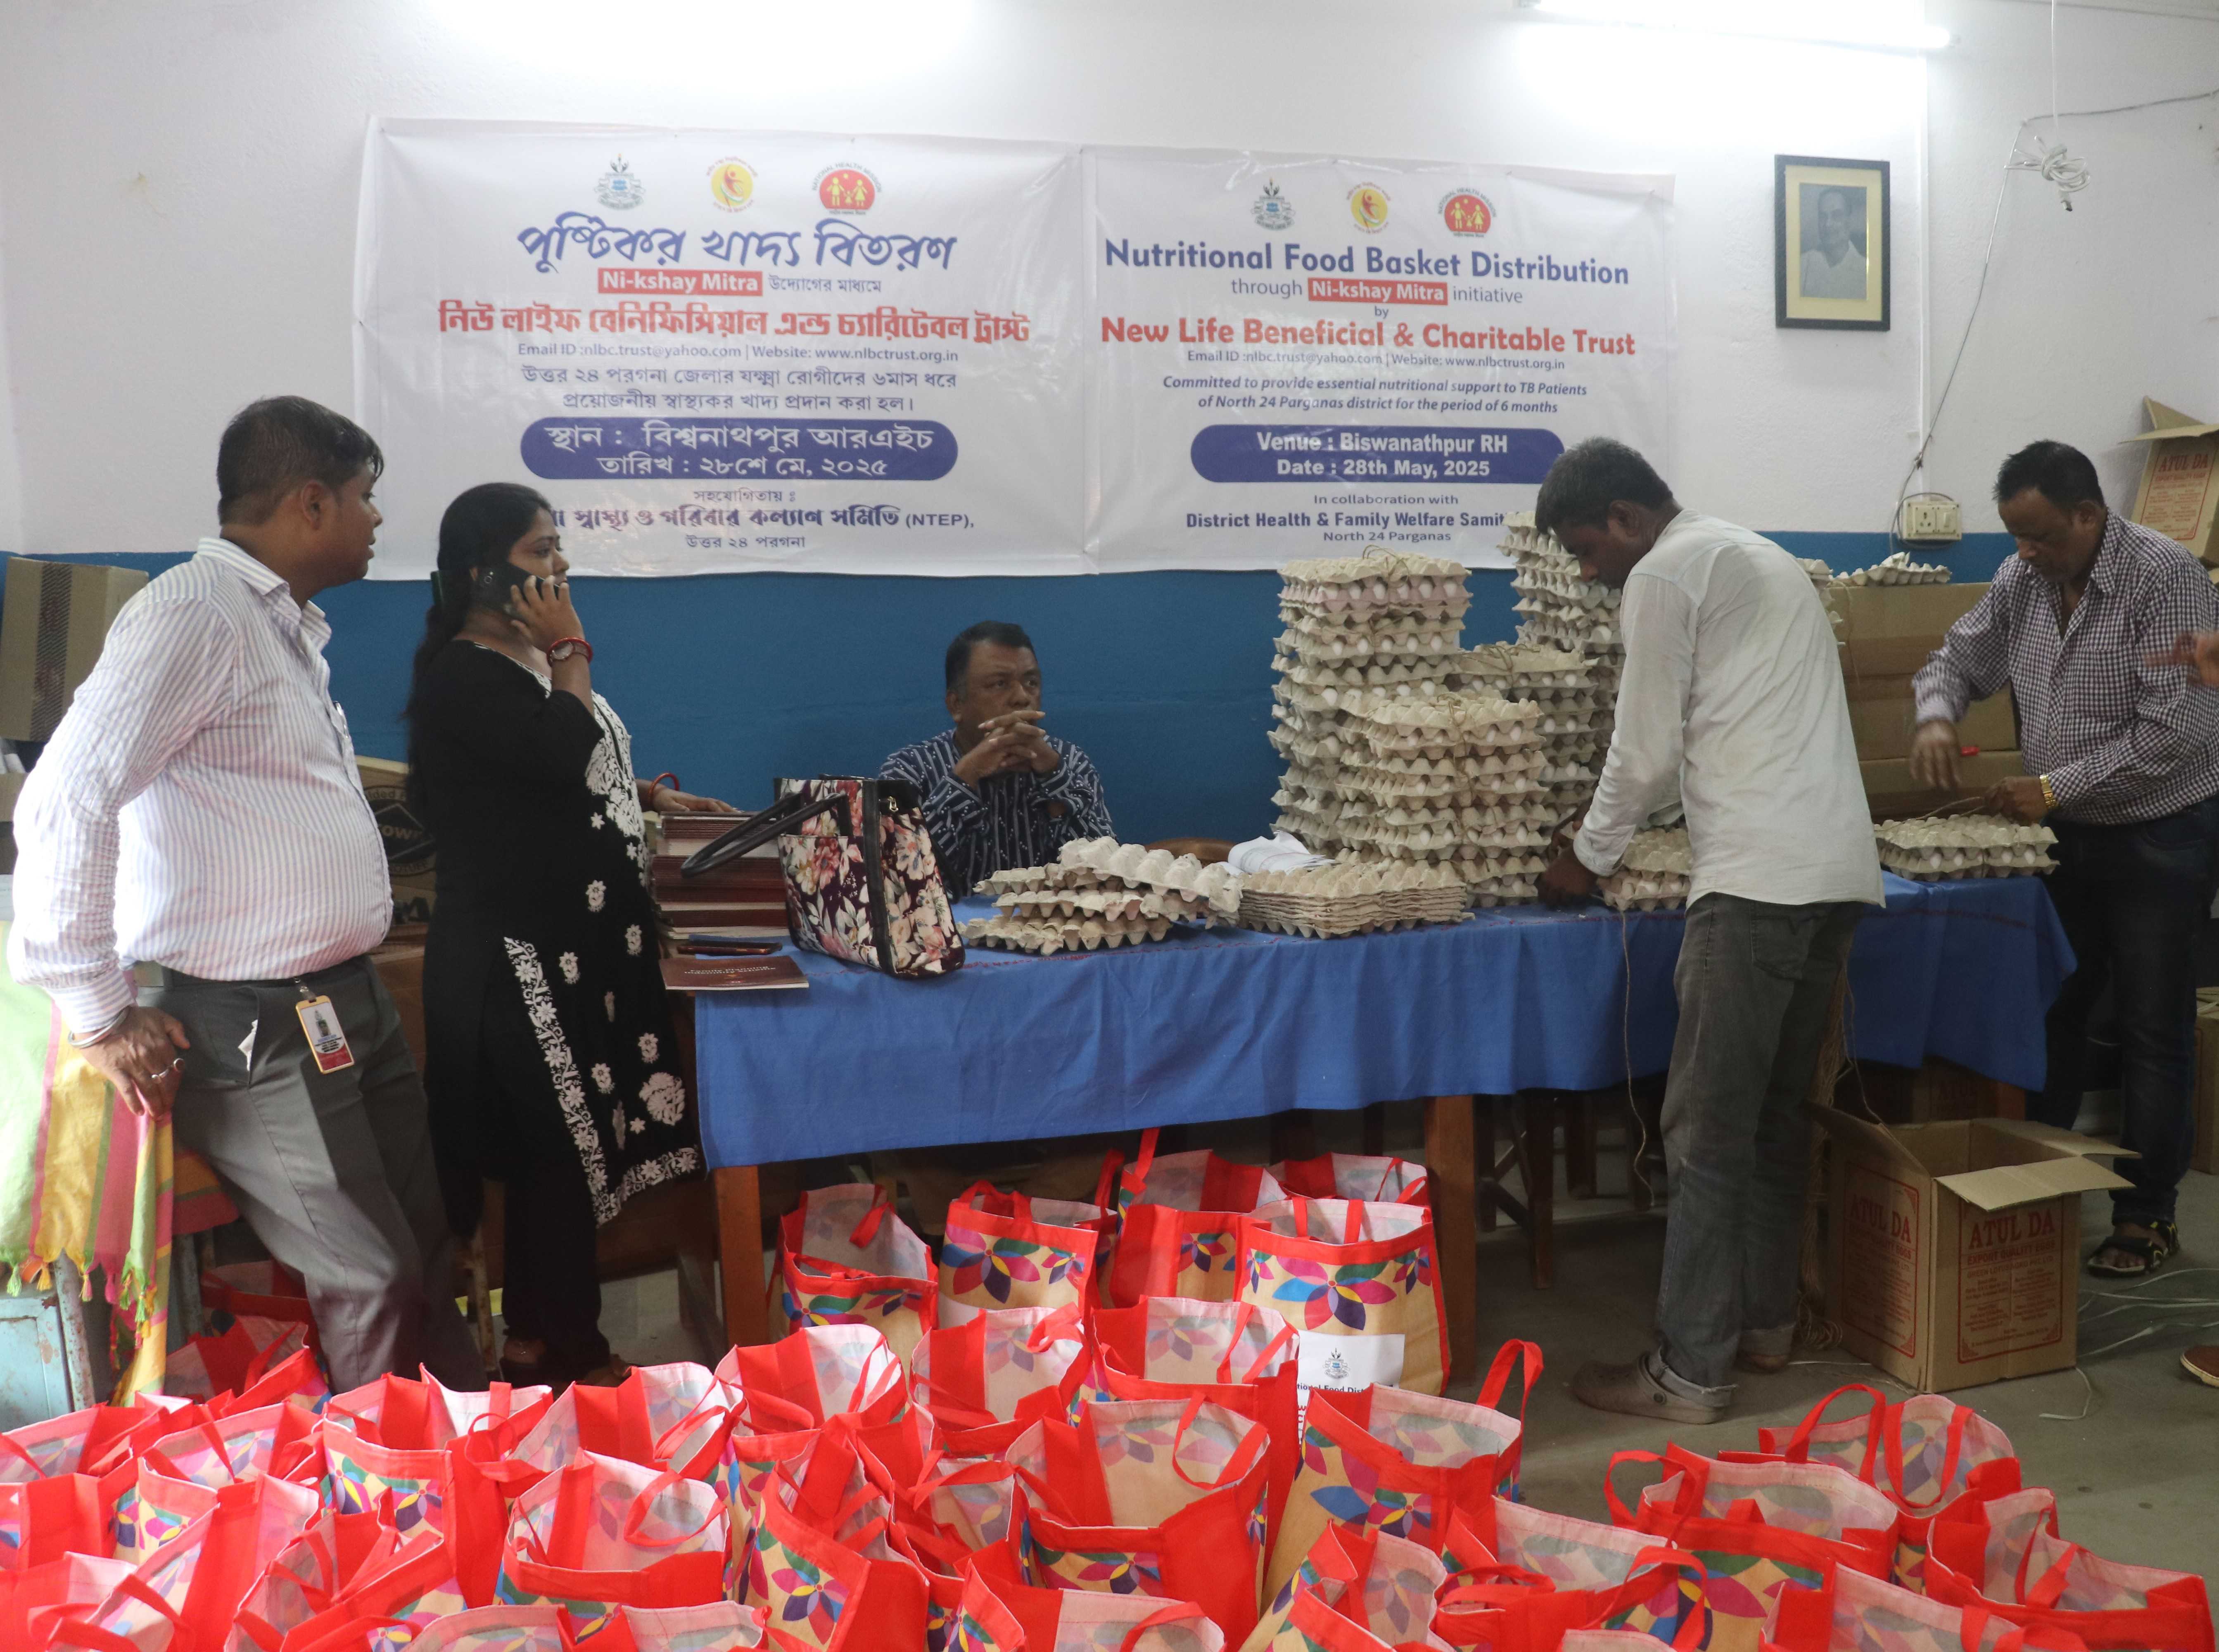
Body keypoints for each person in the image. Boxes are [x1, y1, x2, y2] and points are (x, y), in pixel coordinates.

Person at [6, 396, 482, 1391]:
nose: (376, 518)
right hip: (252, 1020)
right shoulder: (197, 614)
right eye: (365, 497)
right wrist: (98, 1008)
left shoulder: (276, 623)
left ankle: (469, 1455)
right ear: (311, 502)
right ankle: (382, 1478)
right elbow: (66, 796)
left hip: (339, 998)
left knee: (427, 1246)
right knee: (371, 1275)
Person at [1533, 437, 1882, 1425]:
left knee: (1703, 1130)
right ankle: (1765, 1323)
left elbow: (1642, 750)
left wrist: (1586, 854)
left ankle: (1687, 1370)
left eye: (1587, 551)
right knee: (1771, 1115)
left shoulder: (1666, 570)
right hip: (1832, 872)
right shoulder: (1751, 552)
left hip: (1757, 881)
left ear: (1625, 519)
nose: (1589, 575)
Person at [404, 482, 735, 1388]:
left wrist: (650, 796)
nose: (558, 566)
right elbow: (553, 755)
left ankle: (539, 1341)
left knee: (563, 1164)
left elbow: (561, 764)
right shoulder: (466, 673)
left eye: (558, 547)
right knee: (557, 1159)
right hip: (516, 965)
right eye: (539, 550)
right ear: (483, 572)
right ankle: (565, 1353)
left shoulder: (520, 660)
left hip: (574, 954)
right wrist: (571, 649)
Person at [1913, 440, 2219, 1279]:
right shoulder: (2024, 580)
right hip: (2064, 834)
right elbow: (1957, 658)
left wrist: (2052, 786)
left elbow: (2178, 731)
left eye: (2041, 536)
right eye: (2015, 536)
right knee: (2053, 1007)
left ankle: (2145, 1215)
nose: (2025, 552)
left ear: (2087, 515)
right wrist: (1936, 714)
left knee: (2151, 1025)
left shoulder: (2164, 578)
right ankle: (2037, 1189)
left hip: (2158, 832)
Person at [880, 620, 1113, 892]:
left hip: (1050, 920)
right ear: (956, 705)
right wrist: (965, 777)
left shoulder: (1070, 762)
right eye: (999, 684)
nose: (1022, 698)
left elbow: (1106, 877)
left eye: (1032, 683)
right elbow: (896, 883)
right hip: (951, 921)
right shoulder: (908, 770)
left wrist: (1055, 776)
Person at [1801, 187, 1867, 300]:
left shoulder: (1866, 271)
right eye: (1823, 217)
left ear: (1850, 221)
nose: (1828, 224)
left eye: (1837, 216)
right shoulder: (1803, 265)